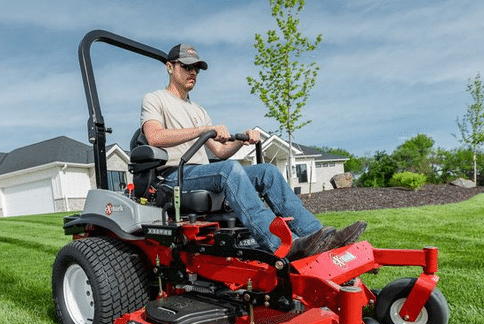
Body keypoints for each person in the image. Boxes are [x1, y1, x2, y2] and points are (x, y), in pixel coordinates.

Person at [140, 43, 365, 260]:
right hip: (173, 177)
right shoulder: (155, 99)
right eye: (187, 66)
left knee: (267, 171)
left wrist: (242, 138)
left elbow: (220, 152)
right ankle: (281, 244)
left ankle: (319, 237)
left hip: (205, 174)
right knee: (228, 171)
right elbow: (154, 136)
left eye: (196, 68)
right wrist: (204, 129)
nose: (193, 72)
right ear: (170, 67)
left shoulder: (198, 110)